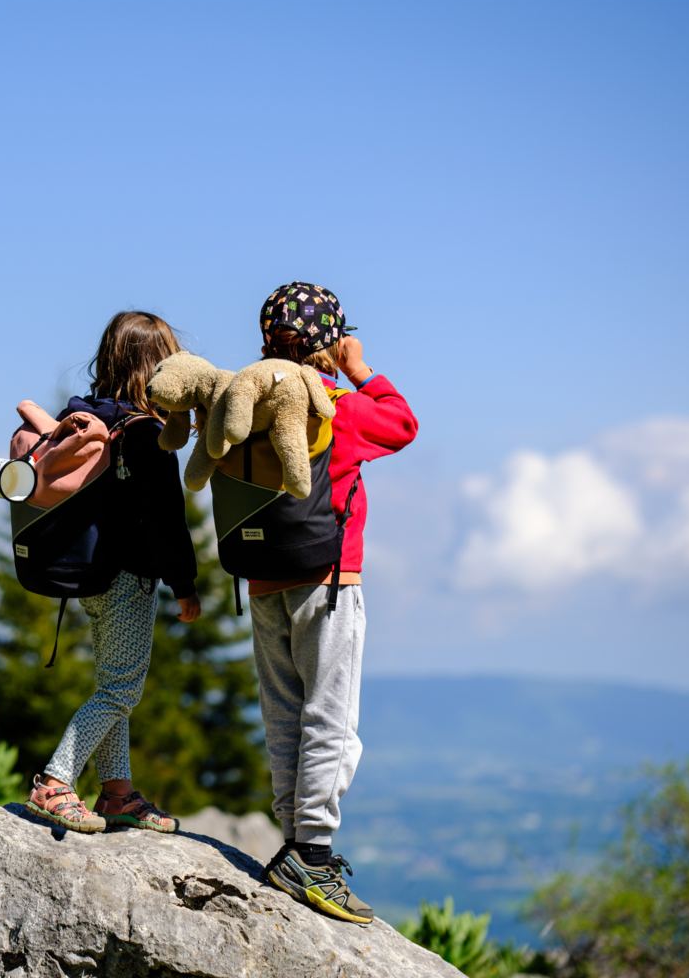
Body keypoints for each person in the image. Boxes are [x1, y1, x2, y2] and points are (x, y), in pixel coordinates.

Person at [251, 283, 418, 923]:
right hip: (327, 578)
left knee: (284, 714)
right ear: (331, 338)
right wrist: (362, 369)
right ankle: (312, 855)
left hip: (262, 576)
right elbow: (403, 423)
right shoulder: (338, 405)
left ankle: (295, 843)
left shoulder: (254, 395)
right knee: (332, 719)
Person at [24, 311, 201, 834]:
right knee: (121, 690)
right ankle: (55, 781)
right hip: (128, 577)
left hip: (89, 573)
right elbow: (166, 519)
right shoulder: (147, 434)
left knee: (111, 682)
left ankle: (117, 793)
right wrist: (184, 585)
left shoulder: (82, 418)